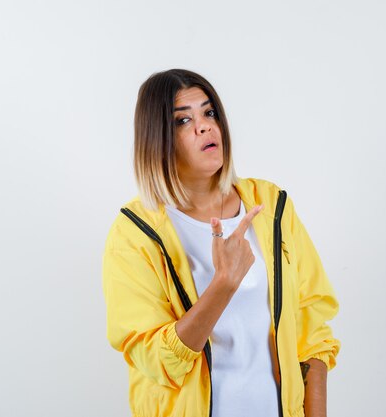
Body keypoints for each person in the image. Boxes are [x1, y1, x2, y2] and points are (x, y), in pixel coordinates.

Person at [102, 69, 340, 417]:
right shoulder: (135, 233)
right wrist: (223, 284)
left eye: (209, 112)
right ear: (157, 140)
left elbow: (312, 330)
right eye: (183, 120)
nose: (204, 126)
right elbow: (156, 361)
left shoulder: (270, 205)